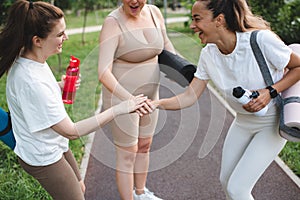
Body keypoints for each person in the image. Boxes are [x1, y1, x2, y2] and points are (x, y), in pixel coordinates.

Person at [148, 0, 300, 199]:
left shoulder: (259, 40)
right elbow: (189, 95)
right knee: (226, 182)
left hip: (270, 123)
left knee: (238, 188)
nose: (192, 25)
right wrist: (156, 104)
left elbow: (298, 67)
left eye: (197, 19)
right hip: (242, 122)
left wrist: (270, 91)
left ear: (219, 20)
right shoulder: (208, 55)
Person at [0, 1, 148, 200]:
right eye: (60, 34)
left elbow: (37, 103)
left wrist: (58, 87)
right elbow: (71, 131)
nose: (66, 37)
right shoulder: (30, 80)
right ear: (37, 40)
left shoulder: (34, 60)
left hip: (54, 144)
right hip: (43, 156)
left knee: (80, 187)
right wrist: (119, 109)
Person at [97, 0, 176, 199]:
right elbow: (103, 72)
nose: (134, 1)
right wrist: (130, 100)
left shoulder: (154, 13)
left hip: (151, 96)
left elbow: (165, 44)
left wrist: (180, 67)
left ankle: (141, 193)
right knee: (127, 153)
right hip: (123, 99)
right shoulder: (113, 23)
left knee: (145, 145)